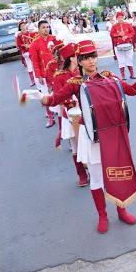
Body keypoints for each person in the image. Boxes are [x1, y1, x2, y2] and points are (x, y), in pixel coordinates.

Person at [26, 40, 136, 233]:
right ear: (79, 61)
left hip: (113, 134)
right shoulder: (75, 83)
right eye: (86, 58)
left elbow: (131, 91)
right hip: (93, 137)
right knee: (96, 179)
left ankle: (122, 210)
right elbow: (54, 99)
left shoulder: (109, 77)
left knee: (118, 173)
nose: (91, 61)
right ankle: (102, 216)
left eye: (93, 57)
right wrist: (39, 96)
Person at [52, 42, 88, 187]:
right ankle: (82, 175)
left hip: (87, 112)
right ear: (71, 58)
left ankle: (93, 170)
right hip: (71, 114)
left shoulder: (83, 72)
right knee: (75, 145)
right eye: (76, 55)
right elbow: (58, 97)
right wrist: (73, 102)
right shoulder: (59, 76)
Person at [28, 20, 57, 128]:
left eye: (48, 27)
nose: (46, 29)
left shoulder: (54, 39)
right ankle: (50, 118)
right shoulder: (35, 43)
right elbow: (34, 61)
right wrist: (39, 75)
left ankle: (61, 114)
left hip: (57, 72)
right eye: (44, 27)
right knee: (46, 96)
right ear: (39, 29)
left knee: (59, 93)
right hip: (44, 74)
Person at [110, 12, 136, 80]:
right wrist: (119, 34)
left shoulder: (128, 24)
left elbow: (133, 32)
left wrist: (127, 36)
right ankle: (123, 76)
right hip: (118, 46)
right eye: (119, 18)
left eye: (121, 17)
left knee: (129, 59)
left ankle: (132, 74)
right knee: (121, 61)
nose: (120, 19)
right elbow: (111, 34)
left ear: (123, 17)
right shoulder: (114, 26)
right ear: (117, 18)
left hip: (128, 44)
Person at [16, 21, 37, 86]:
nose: (23, 27)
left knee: (35, 65)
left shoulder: (30, 33)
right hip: (26, 52)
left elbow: (35, 39)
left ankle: (37, 79)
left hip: (32, 51)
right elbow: (19, 44)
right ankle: (32, 80)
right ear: (20, 28)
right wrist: (24, 46)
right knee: (30, 66)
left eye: (24, 25)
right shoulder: (19, 36)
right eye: (22, 26)